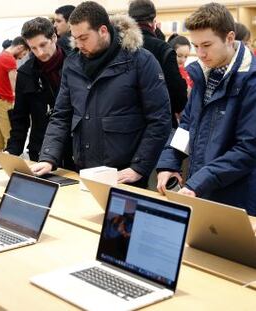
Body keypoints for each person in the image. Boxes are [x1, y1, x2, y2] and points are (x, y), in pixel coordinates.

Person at [31, 1, 171, 188]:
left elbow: (159, 119)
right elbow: (61, 116)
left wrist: (139, 167)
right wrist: (48, 157)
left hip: (125, 173)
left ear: (103, 30)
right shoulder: (72, 64)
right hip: (84, 167)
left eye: (84, 38)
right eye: (75, 38)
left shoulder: (140, 61)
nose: (79, 44)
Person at [156, 3, 256, 216]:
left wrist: (198, 182)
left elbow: (247, 150)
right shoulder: (203, 74)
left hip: (236, 200)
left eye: (207, 45)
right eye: (196, 45)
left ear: (229, 38)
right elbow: (186, 127)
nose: (200, 54)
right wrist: (169, 163)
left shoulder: (251, 82)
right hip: (201, 191)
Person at [5, 17, 73, 169]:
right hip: (40, 149)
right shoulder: (25, 73)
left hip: (75, 150)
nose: (40, 53)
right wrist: (12, 151)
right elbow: (20, 118)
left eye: (43, 45)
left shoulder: (76, 64)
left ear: (54, 37)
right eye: (33, 48)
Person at [128, 0, 187, 129]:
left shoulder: (119, 46)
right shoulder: (162, 49)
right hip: (159, 125)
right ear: (153, 21)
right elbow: (178, 98)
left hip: (125, 129)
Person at [0, 36, 29, 151]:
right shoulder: (9, 59)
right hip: (3, 103)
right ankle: (9, 167)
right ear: (20, 47)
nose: (22, 57)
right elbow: (15, 86)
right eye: (24, 53)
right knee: (10, 138)